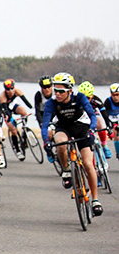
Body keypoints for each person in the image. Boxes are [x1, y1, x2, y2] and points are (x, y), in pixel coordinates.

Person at [41, 72, 103, 216]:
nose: (57, 94)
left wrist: (92, 131)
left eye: (61, 91)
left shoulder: (79, 97)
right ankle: (66, 170)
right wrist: (45, 142)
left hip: (81, 128)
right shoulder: (52, 103)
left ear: (70, 90)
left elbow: (92, 115)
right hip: (63, 128)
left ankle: (95, 200)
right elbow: (45, 125)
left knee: (88, 164)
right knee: (60, 143)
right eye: (55, 90)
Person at [0, 79, 33, 160]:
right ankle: (17, 150)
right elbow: (5, 111)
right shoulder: (2, 96)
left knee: (24, 113)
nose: (10, 91)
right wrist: (9, 119)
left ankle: (23, 131)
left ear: (14, 87)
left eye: (12, 88)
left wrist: (33, 109)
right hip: (6, 110)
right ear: (5, 90)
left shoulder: (18, 91)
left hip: (13, 105)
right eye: (7, 89)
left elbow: (26, 102)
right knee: (13, 130)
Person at [77, 81, 113, 159]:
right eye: (83, 97)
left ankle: (104, 145)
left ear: (92, 95)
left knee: (99, 121)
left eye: (88, 98)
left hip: (93, 114)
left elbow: (105, 116)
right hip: (83, 116)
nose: (85, 100)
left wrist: (109, 127)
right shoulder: (77, 101)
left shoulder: (96, 100)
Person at [35, 75, 55, 162]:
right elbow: (37, 111)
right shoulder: (38, 95)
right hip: (44, 116)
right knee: (48, 133)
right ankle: (49, 151)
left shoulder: (56, 93)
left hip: (55, 115)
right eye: (44, 87)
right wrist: (41, 123)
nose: (47, 89)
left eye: (49, 87)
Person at [104, 83, 119, 160]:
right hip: (112, 120)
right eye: (113, 95)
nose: (116, 97)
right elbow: (105, 116)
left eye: (117, 95)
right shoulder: (108, 102)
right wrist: (109, 127)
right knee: (116, 133)